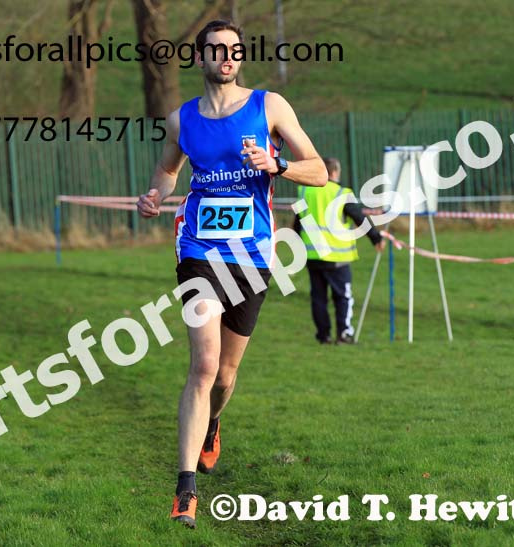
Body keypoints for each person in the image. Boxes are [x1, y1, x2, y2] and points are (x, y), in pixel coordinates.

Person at [136, 20, 328, 529]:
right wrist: (154, 194)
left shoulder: (270, 106)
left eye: (234, 50)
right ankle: (185, 488)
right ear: (198, 58)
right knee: (203, 365)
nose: (226, 56)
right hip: (197, 247)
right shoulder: (182, 120)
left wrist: (276, 166)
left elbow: (320, 172)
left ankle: (213, 424)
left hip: (252, 255)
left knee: (225, 375)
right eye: (217, 49)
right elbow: (168, 170)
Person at [293, 157, 386, 345]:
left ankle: (323, 335)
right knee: (342, 296)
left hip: (312, 255)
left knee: (318, 298)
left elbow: (297, 222)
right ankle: (343, 333)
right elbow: (358, 217)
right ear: (334, 172)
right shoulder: (342, 193)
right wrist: (376, 237)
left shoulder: (304, 192)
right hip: (337, 255)